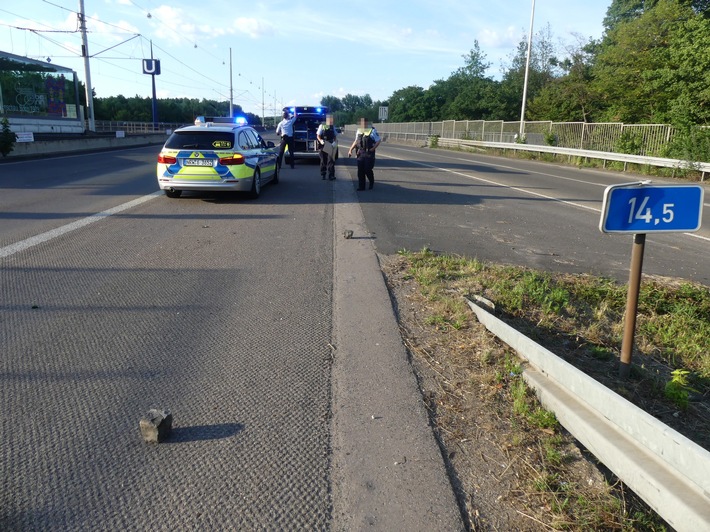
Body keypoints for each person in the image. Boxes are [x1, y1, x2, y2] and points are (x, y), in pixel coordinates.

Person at [348, 117, 381, 190]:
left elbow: (378, 140)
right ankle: (361, 187)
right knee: (360, 170)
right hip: (361, 152)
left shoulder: (372, 130)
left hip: (369, 152)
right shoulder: (359, 131)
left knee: (367, 169)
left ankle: (371, 181)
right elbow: (356, 141)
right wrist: (350, 150)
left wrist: (373, 148)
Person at [316, 113, 337, 180]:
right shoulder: (322, 126)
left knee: (331, 160)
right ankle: (323, 174)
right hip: (323, 144)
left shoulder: (332, 126)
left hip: (330, 144)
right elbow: (318, 135)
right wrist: (321, 141)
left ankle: (331, 175)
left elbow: (335, 136)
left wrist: (334, 142)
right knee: (323, 160)